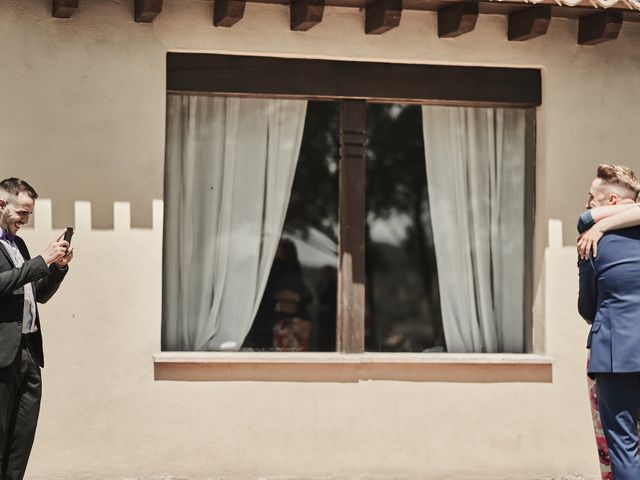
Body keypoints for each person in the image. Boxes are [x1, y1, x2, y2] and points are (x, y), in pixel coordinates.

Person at [0, 178, 73, 480]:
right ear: (1, 204)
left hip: (30, 352)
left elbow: (37, 293)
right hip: (2, 356)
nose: (25, 221)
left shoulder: (19, 245)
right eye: (21, 213)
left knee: (22, 438)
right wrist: (43, 260)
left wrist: (58, 267)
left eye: (29, 214)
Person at [577, 164, 640, 480]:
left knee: (623, 448)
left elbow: (587, 307)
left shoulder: (592, 242)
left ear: (612, 201)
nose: (588, 205)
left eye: (592, 198)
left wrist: (597, 227)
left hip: (615, 356)